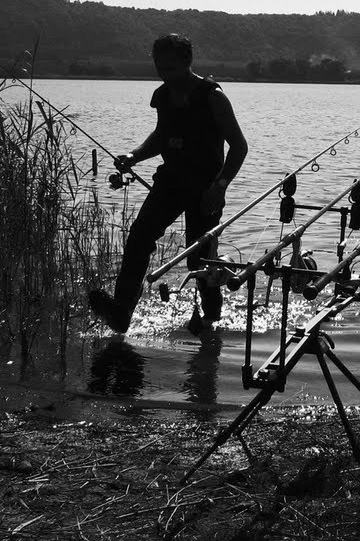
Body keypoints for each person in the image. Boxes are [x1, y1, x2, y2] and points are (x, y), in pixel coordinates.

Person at [89, 33, 248, 335]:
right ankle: (121, 312)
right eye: (160, 68)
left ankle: (212, 317)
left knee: (199, 260)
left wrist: (220, 186)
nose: (165, 75)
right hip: (170, 182)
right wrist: (134, 156)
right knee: (138, 238)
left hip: (206, 190)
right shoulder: (162, 96)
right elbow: (161, 135)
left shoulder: (213, 97)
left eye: (171, 68)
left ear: (187, 62)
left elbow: (239, 147)